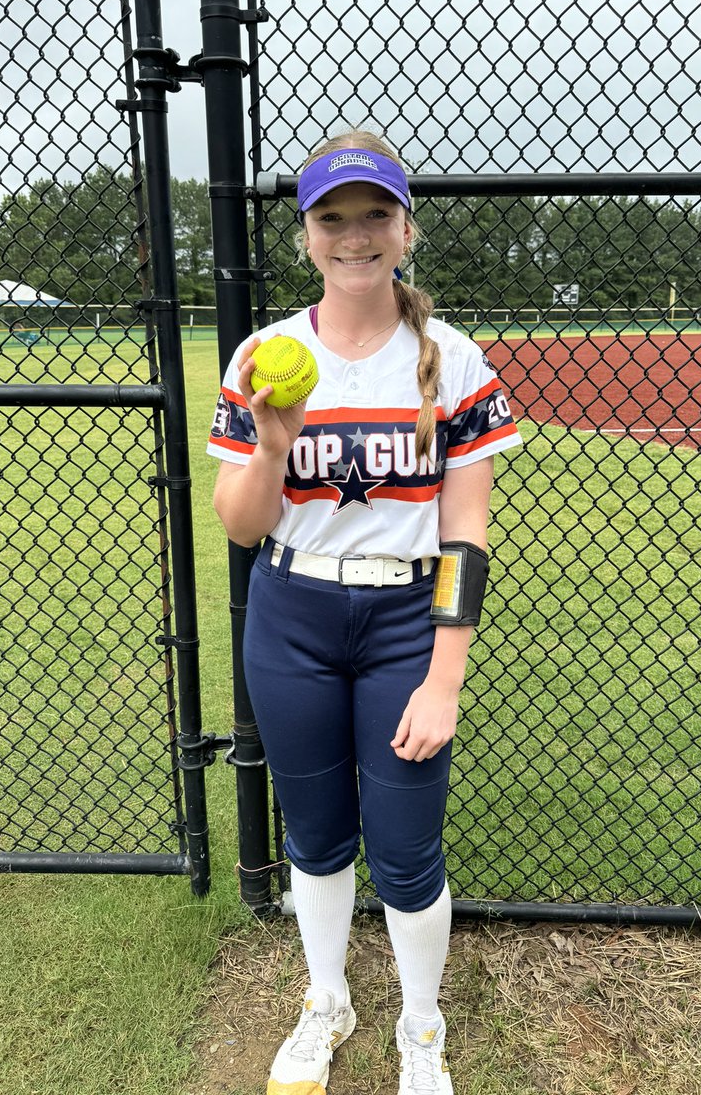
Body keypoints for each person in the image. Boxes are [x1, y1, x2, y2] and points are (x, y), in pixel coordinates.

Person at [208, 129, 522, 1095]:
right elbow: (242, 526)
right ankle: (327, 1000)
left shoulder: (451, 359)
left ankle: (420, 1028)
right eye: (332, 219)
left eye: (374, 215)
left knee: (406, 848)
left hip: (402, 623)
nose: (355, 236)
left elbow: (465, 535)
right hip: (291, 613)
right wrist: (271, 444)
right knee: (315, 836)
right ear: (306, 236)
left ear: (406, 229)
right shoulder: (266, 354)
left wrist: (443, 679)